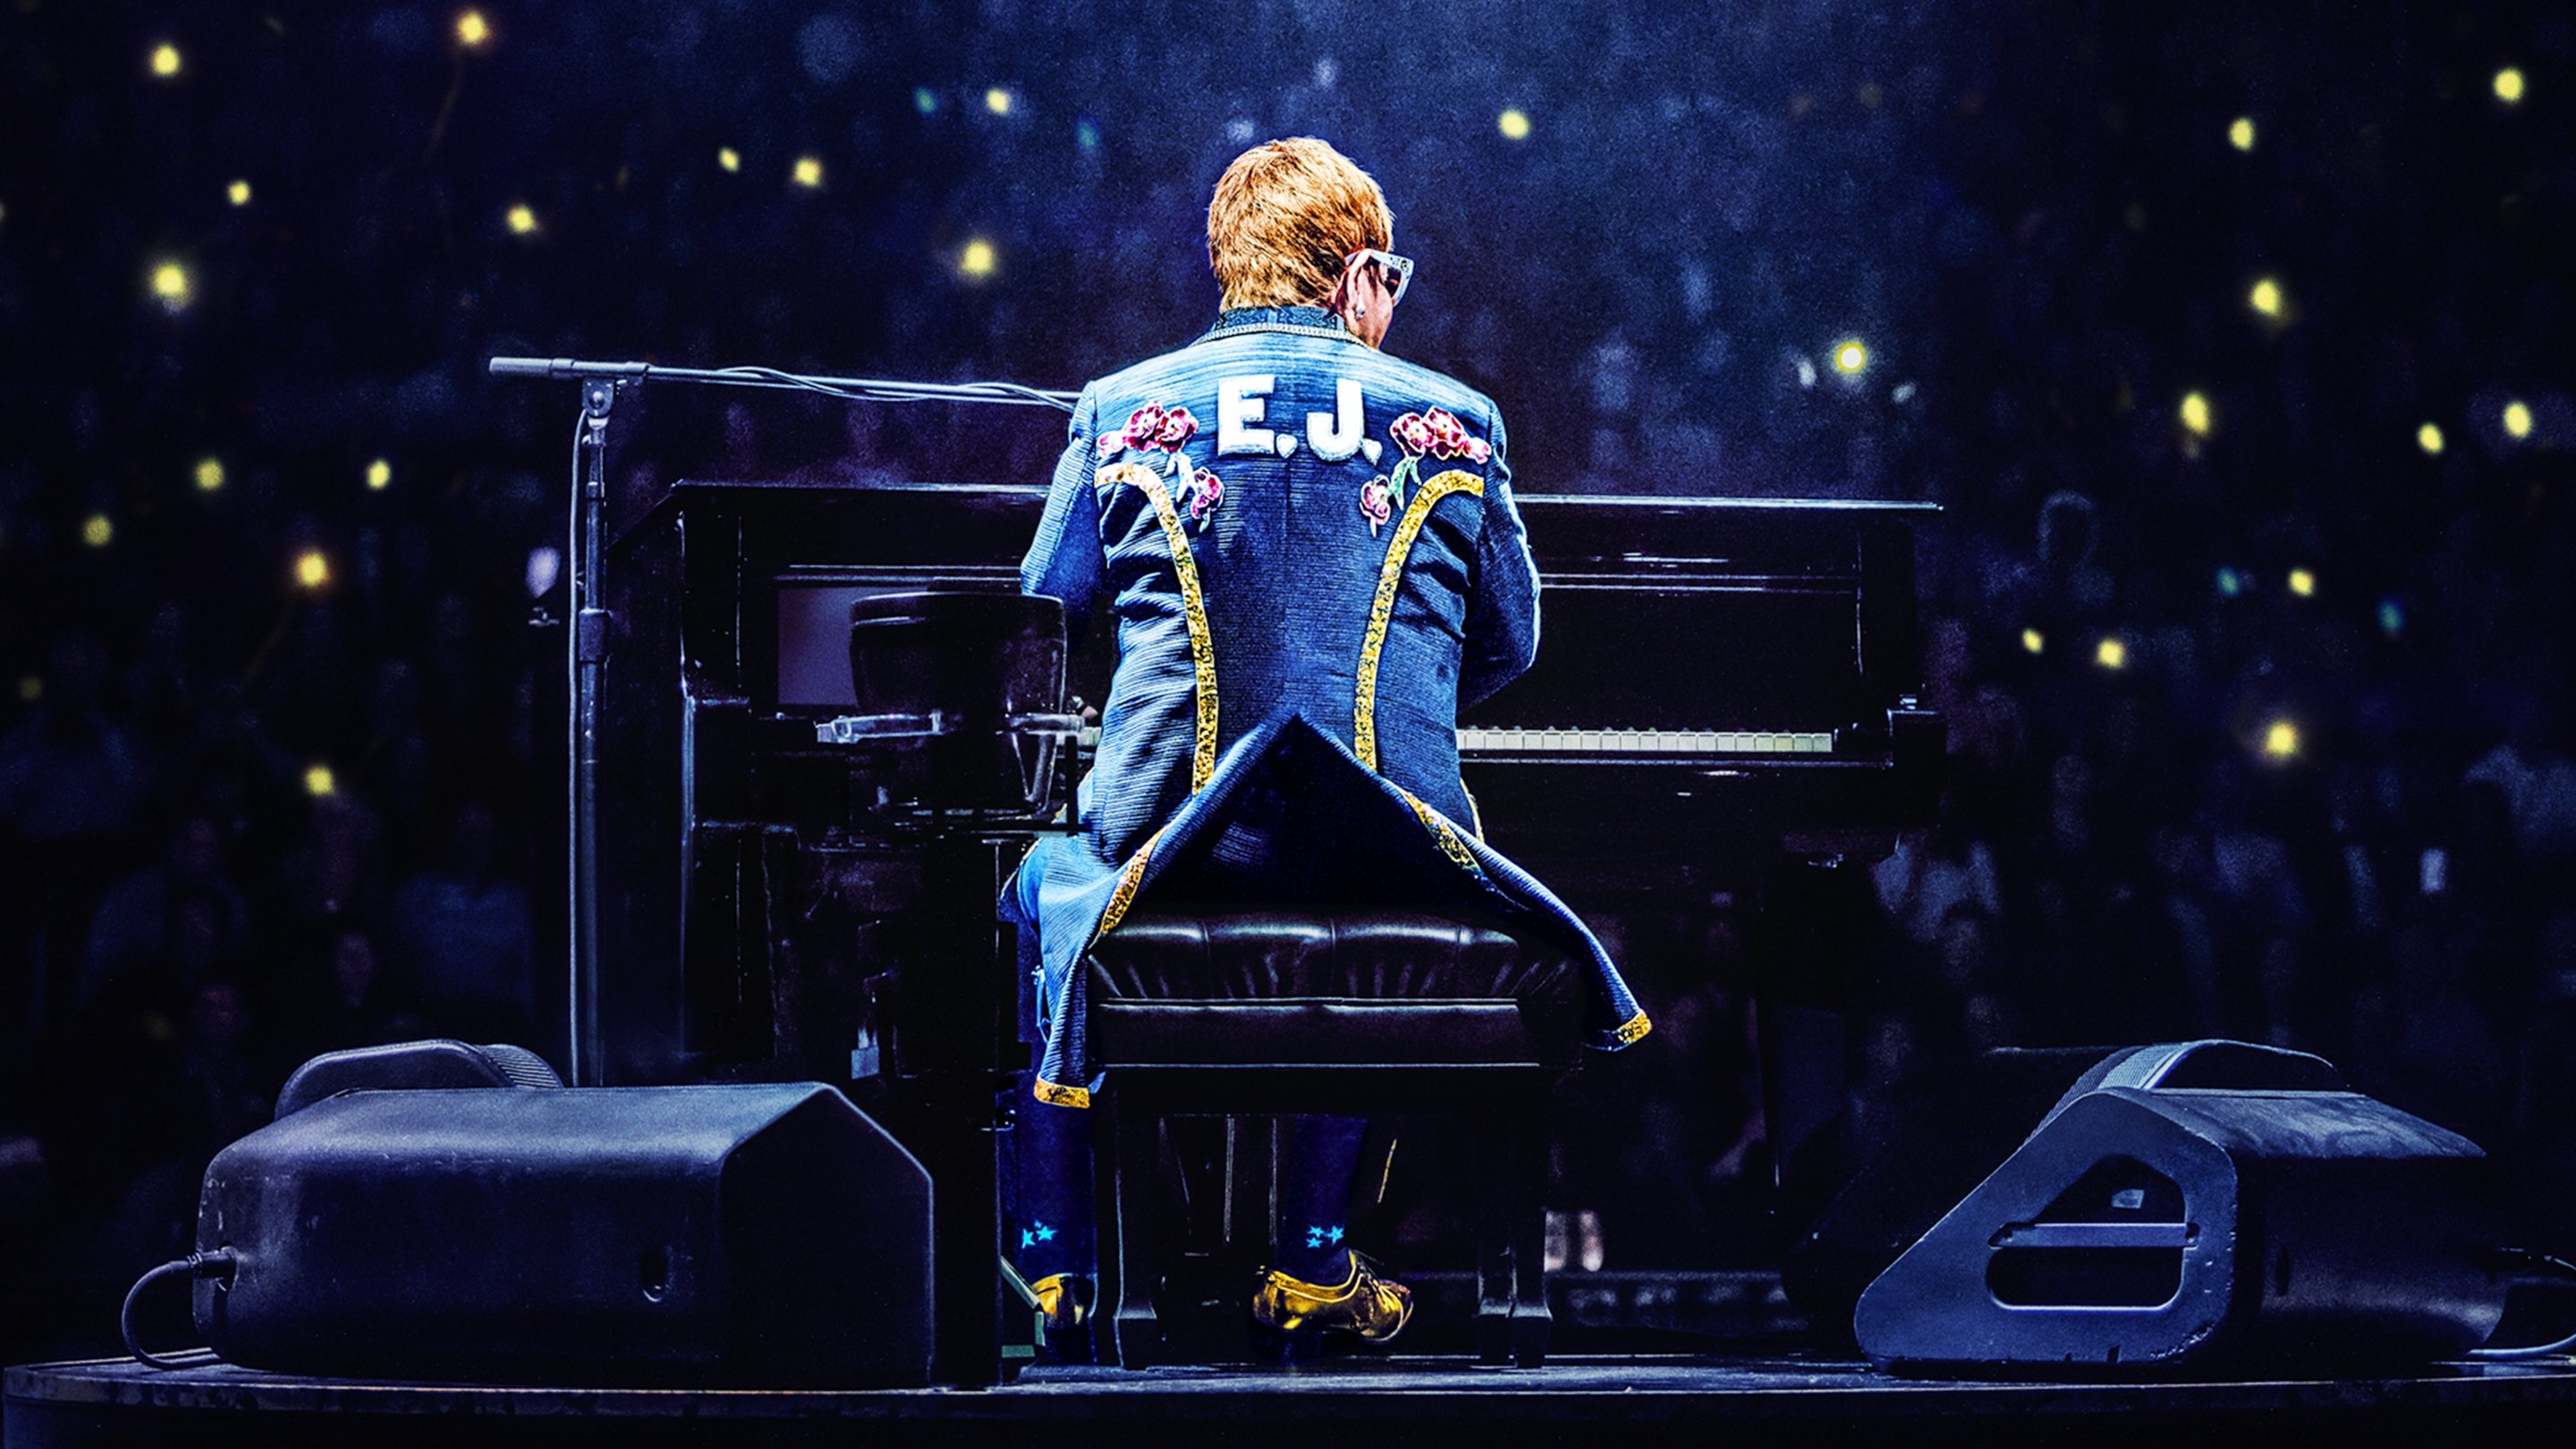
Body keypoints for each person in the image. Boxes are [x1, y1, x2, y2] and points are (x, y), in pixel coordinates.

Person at [1004, 137, 1648, 1355]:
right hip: (1396, 854)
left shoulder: (1121, 410)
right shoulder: (1458, 420)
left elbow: (1044, 615)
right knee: (1346, 857)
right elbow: (1507, 645)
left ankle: (1055, 1268)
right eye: (1390, 279)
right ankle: (1308, 1258)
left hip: (1174, 854)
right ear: (1354, 278)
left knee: (1038, 886)